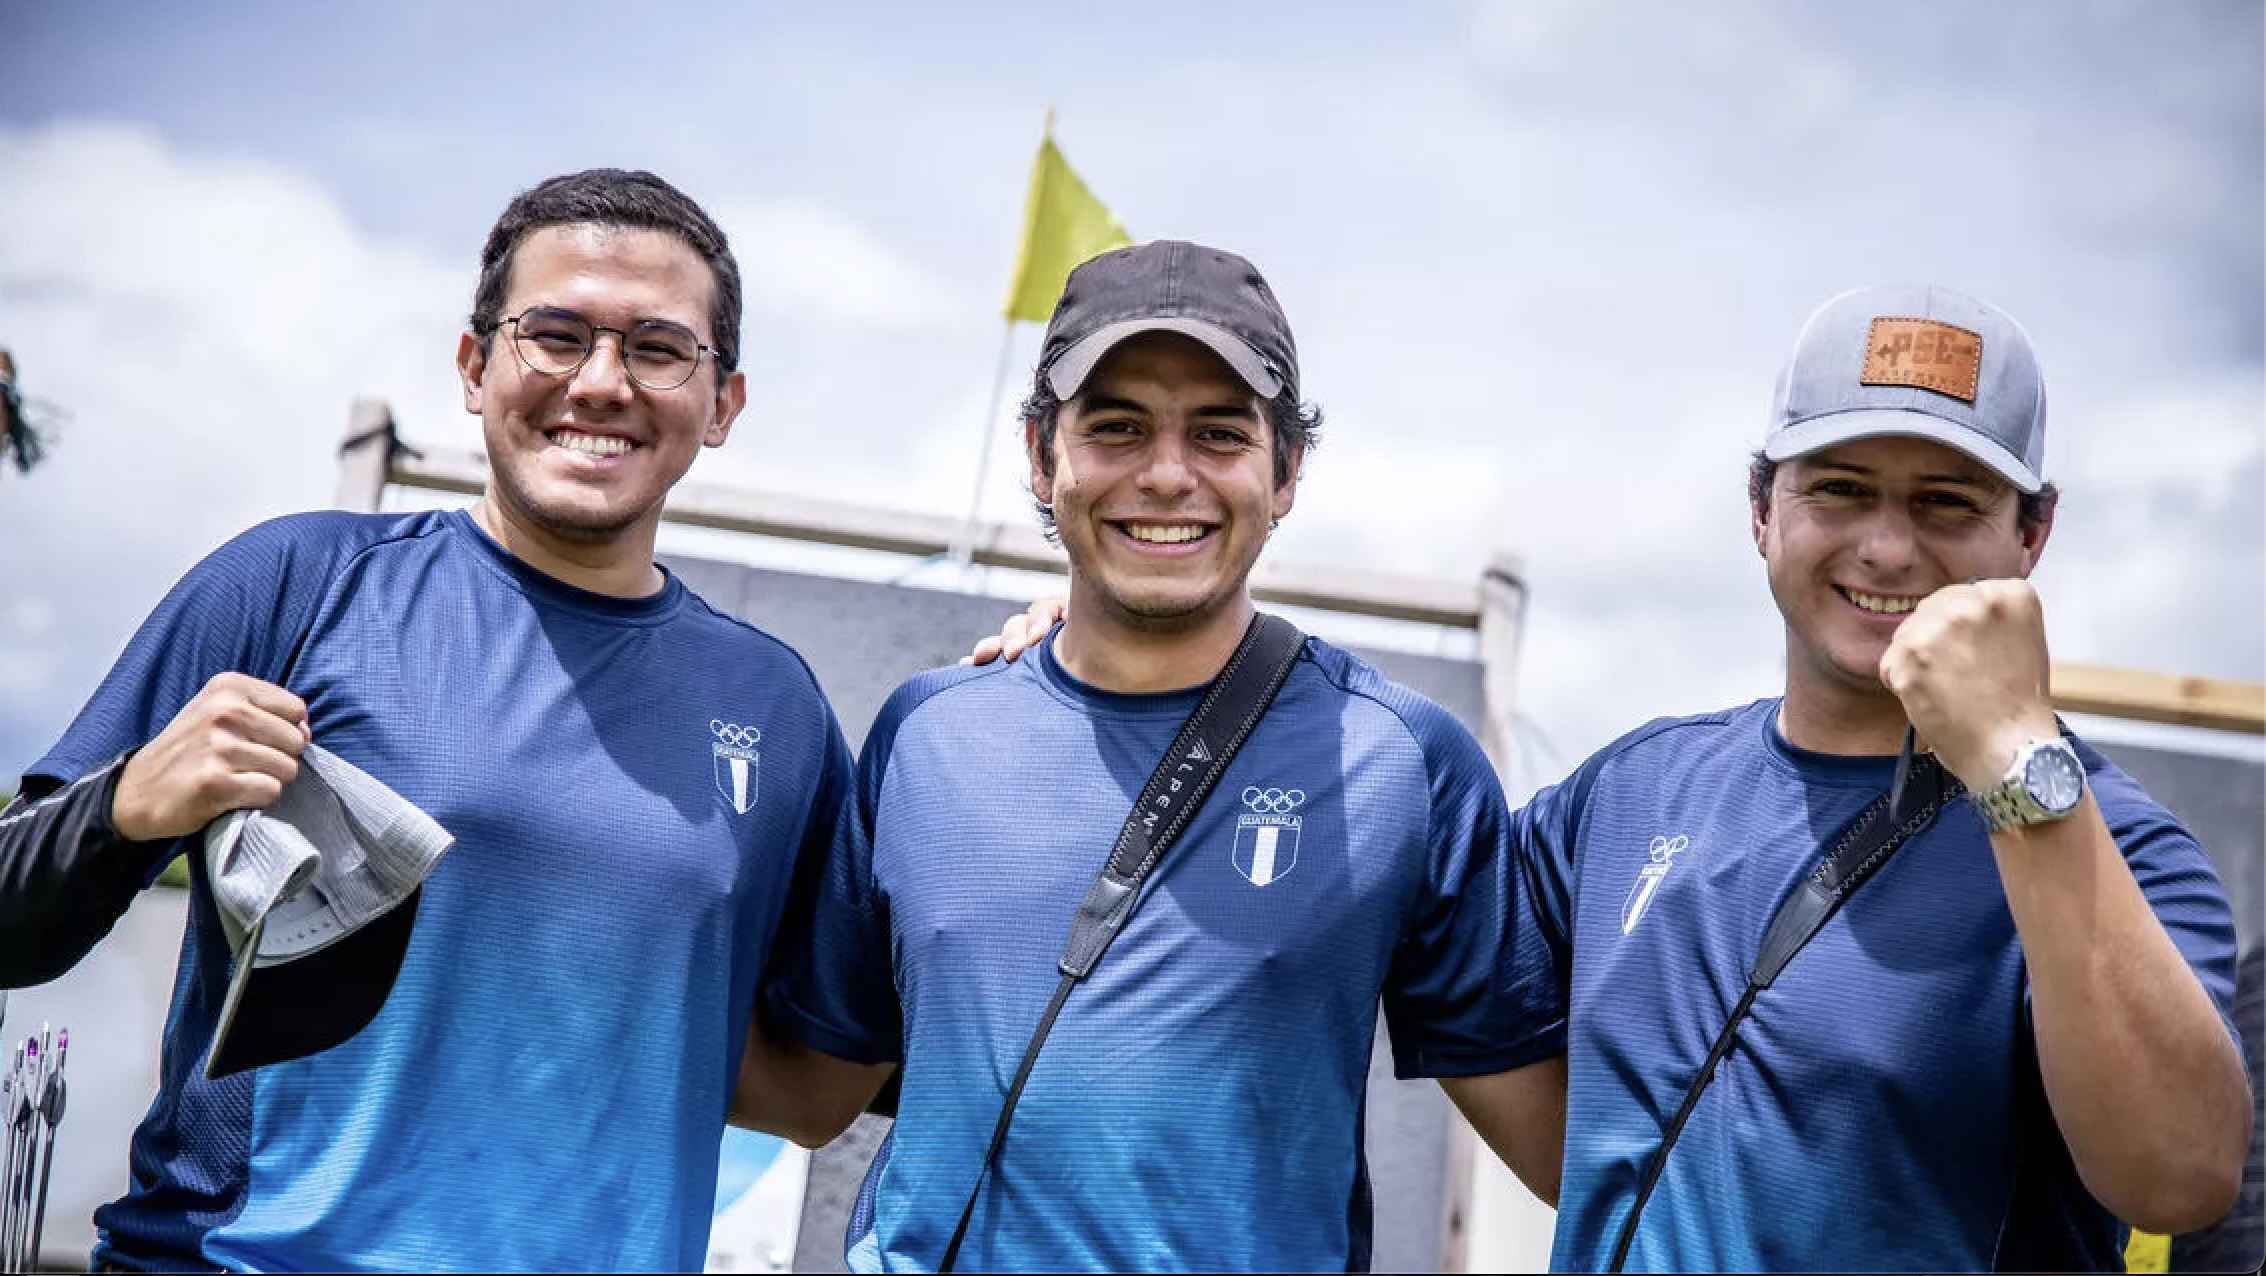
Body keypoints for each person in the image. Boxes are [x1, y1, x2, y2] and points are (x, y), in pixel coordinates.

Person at [976, 284, 2251, 1272]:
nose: (1883, 545)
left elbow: (2180, 1176)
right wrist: (1113, 639)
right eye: (1840, 488)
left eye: (1947, 504)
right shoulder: (1631, 792)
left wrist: (2018, 770)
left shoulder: (2117, 849)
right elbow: (1549, 1116)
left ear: (2031, 534)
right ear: (1763, 508)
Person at [0, 169, 854, 1271]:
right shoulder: (295, 585)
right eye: (555, 334)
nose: (601, 382)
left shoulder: (774, 707)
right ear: (473, 365)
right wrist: (122, 807)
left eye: (656, 348)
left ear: (723, 401)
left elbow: (818, 1087)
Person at [734, 240, 1568, 1272]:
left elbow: (1568, 1152)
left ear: (1288, 468)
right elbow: (813, 1090)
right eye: (1116, 426)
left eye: (1218, 433)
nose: (1166, 474)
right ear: (1042, 455)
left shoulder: (1400, 763)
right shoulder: (925, 733)